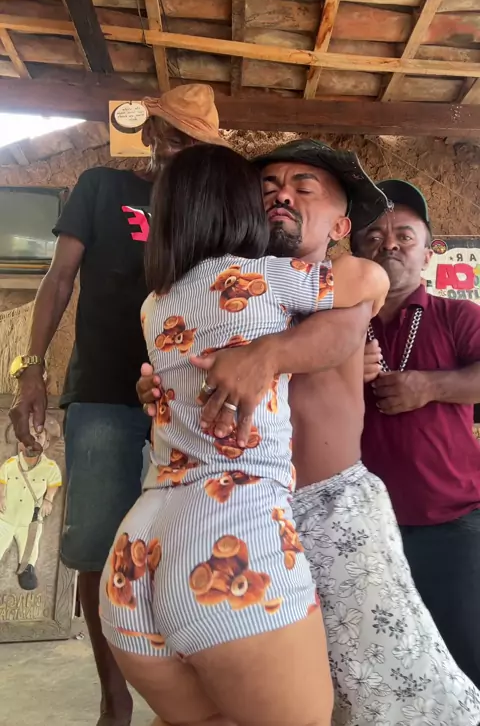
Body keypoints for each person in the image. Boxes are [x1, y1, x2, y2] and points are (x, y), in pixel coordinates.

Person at [138, 140, 480, 725]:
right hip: (238, 514)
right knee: (271, 696)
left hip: (331, 509)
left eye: (304, 187)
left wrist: (268, 354)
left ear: (341, 226)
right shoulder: (229, 290)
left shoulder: (344, 285)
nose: (282, 195)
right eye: (267, 187)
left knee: (394, 693)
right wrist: (161, 388)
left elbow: (339, 332)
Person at [100, 142, 388, 726]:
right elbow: (369, 279)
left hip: (136, 556)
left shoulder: (154, 305)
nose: (276, 201)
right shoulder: (260, 278)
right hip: (229, 539)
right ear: (239, 209)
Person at [8, 84, 225, 726]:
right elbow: (59, 279)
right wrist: (31, 369)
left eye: (191, 142)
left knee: (185, 550)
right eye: (169, 134)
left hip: (184, 400)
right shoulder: (101, 187)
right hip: (103, 391)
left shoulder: (211, 210)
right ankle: (114, 699)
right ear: (150, 133)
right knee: (99, 545)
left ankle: (180, 694)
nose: (175, 149)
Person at [352, 178, 480, 691]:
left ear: (428, 251)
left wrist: (430, 386)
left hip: (452, 525)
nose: (389, 244)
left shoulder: (458, 315)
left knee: (465, 660)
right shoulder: (332, 327)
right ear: (355, 253)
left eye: (405, 235)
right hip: (362, 533)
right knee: (379, 672)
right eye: (374, 236)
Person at [0, 425, 62, 590]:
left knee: (30, 545)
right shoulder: (11, 463)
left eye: (39, 437)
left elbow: (54, 484)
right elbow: (2, 480)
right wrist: (1, 497)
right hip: (6, 516)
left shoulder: (50, 467)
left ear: (46, 442)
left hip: (30, 519)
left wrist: (48, 499)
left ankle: (27, 569)